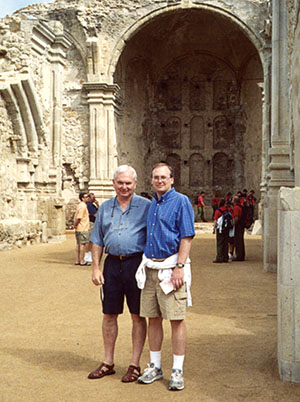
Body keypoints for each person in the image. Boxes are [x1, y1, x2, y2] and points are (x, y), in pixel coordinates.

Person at [87, 165, 151, 383]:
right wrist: (95, 267)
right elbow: (97, 239)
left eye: (128, 183)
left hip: (136, 265)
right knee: (109, 314)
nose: (124, 187)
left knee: (137, 315)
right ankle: (108, 362)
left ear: (135, 183)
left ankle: (134, 365)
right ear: (114, 183)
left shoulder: (146, 207)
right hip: (112, 265)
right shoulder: (105, 208)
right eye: (120, 183)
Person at [136, 162, 195, 391]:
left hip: (171, 268)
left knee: (177, 319)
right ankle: (155, 365)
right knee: (153, 318)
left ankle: (177, 369)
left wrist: (179, 266)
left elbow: (187, 236)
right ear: (151, 180)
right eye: (155, 177)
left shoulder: (180, 201)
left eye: (164, 177)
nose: (159, 180)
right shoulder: (151, 204)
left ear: (172, 179)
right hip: (151, 268)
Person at [74, 192, 90, 266]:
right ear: (82, 198)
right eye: (86, 197)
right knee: (82, 244)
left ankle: (78, 260)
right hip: (83, 227)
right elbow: (79, 217)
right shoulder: (83, 206)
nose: (88, 198)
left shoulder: (80, 205)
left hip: (80, 227)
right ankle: (82, 260)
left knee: (78, 244)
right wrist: (75, 224)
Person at [213, 198, 231, 263]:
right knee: (226, 243)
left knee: (220, 243)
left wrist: (214, 228)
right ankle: (225, 257)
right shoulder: (227, 210)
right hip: (226, 228)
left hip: (220, 228)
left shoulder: (218, 211)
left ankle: (219, 257)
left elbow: (215, 220)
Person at [84, 193, 99, 263]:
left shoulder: (93, 205)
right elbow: (95, 214)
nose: (94, 199)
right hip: (91, 223)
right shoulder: (89, 205)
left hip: (94, 223)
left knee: (92, 240)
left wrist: (98, 205)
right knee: (90, 239)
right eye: (93, 198)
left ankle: (89, 253)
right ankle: (87, 254)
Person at [232, 196, 245, 261]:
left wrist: (233, 224)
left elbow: (236, 217)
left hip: (238, 226)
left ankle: (239, 256)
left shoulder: (236, 208)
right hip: (241, 225)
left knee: (238, 241)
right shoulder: (240, 207)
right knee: (240, 241)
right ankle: (241, 255)